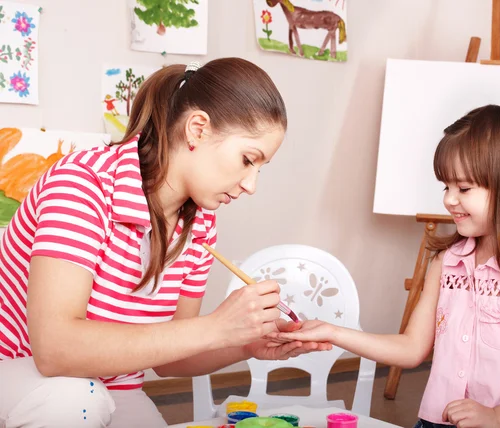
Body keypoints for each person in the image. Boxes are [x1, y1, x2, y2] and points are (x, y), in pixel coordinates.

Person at [0, 58, 330, 428]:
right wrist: (216, 326)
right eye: (247, 160)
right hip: (21, 374)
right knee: (78, 401)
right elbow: (55, 350)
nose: (250, 185)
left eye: (259, 169)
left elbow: (171, 356)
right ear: (198, 129)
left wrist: (245, 344)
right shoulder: (82, 186)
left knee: (88, 399)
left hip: (111, 387)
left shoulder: (201, 223)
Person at [275, 105, 500, 428]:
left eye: (464, 188)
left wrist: (498, 416)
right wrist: (333, 332)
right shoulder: (446, 263)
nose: (449, 200)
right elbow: (412, 348)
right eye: (446, 187)